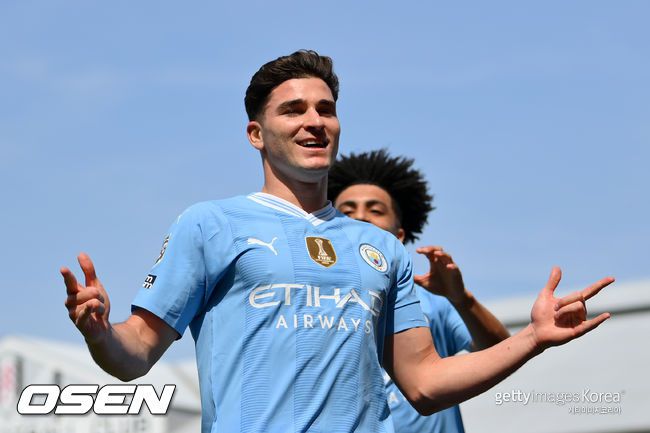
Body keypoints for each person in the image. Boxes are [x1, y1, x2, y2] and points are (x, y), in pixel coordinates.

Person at [61, 50, 614, 433]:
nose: (315, 121)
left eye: (325, 109)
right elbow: (135, 355)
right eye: (293, 110)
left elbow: (425, 384)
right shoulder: (211, 223)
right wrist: (100, 333)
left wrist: (533, 338)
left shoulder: (384, 250)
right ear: (256, 134)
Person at [328, 149, 510, 433]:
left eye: (375, 210)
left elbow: (500, 352)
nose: (360, 217)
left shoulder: (431, 300)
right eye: (347, 211)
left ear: (399, 235)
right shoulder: (306, 300)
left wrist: (460, 299)